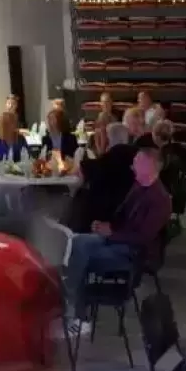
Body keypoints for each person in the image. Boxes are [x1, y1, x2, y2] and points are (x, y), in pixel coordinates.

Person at [64, 143, 172, 335]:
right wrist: (105, 226)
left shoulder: (160, 199)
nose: (132, 165)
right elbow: (122, 218)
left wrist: (111, 233)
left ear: (149, 165)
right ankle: (71, 305)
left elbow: (143, 237)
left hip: (133, 254)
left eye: (137, 161)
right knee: (77, 241)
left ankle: (77, 314)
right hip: (120, 241)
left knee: (82, 255)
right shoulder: (139, 186)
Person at [78, 122, 138, 226]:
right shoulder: (135, 154)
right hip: (130, 212)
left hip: (106, 214)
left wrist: (100, 149)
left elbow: (83, 170)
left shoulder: (113, 156)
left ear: (109, 139)